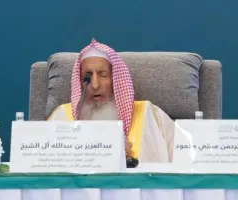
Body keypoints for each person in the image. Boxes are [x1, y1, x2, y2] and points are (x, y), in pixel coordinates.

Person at [47, 39, 176, 164]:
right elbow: (45, 162)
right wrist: (106, 150)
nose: (95, 85)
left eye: (103, 75)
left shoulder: (148, 113)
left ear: (116, 80)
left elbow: (183, 158)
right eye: (87, 77)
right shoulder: (62, 116)